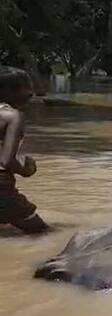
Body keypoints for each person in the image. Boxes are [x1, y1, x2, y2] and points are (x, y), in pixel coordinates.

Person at [0, 66, 49, 234]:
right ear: (10, 92)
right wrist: (25, 169)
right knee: (42, 233)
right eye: (28, 89)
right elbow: (6, 161)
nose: (31, 94)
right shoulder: (13, 116)